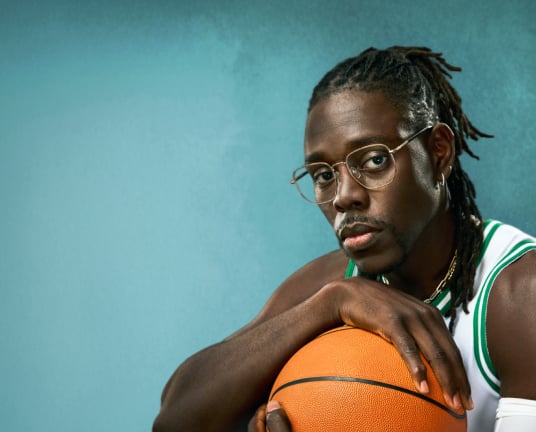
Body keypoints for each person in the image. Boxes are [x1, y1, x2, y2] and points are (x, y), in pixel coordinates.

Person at [153, 46, 536, 432]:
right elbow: (173, 419)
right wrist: (332, 304)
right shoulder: (331, 286)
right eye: (323, 175)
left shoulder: (519, 295)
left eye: (373, 159)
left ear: (438, 152)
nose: (343, 195)